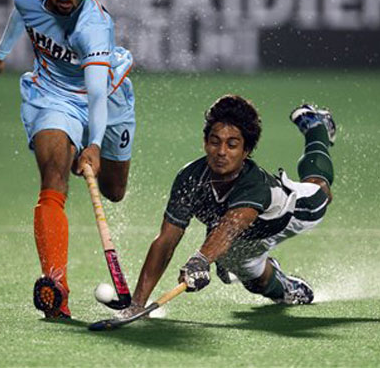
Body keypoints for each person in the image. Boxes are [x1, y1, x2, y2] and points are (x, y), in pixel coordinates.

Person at [0, 0, 136, 319]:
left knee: (113, 190)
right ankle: (56, 286)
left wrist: (93, 144)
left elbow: (96, 94)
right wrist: (0, 55)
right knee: (53, 177)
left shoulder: (93, 29)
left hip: (106, 95)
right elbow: (22, 16)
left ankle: (89, 146)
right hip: (52, 95)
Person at [122, 96, 335, 316]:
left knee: (319, 187)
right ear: (205, 143)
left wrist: (201, 260)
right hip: (242, 237)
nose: (221, 151)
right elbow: (166, 241)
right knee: (254, 283)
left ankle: (316, 127)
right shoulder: (190, 179)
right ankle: (287, 287)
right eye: (215, 142)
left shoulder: (254, 183)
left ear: (246, 151)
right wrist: (137, 305)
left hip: (292, 214)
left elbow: (233, 224)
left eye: (232, 145)